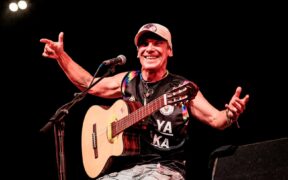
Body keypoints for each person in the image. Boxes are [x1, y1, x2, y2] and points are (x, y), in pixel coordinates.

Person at [40, 23, 249, 180]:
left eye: (158, 43)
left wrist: (231, 113)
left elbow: (215, 118)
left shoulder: (181, 87)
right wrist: (61, 56)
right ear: (138, 52)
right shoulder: (128, 80)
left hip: (166, 169)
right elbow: (88, 83)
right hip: (124, 170)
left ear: (170, 50)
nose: (150, 48)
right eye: (144, 44)